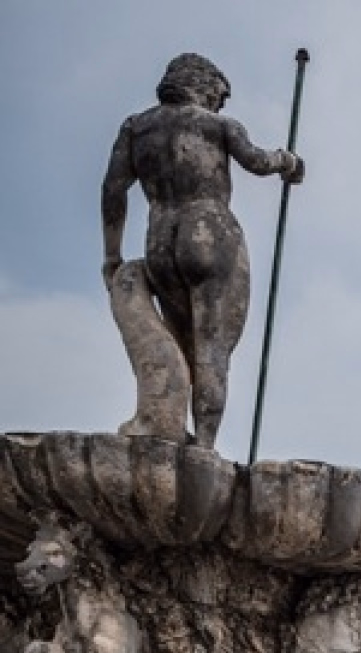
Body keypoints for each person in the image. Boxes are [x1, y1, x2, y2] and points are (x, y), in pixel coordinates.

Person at [101, 53, 305, 449]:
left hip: (160, 240)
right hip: (210, 231)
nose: (219, 104)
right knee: (211, 349)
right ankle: (206, 447)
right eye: (219, 96)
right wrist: (287, 161)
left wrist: (112, 254)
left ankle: (173, 427)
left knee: (183, 343)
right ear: (204, 85)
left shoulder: (136, 128)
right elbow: (257, 161)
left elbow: (112, 189)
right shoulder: (217, 124)